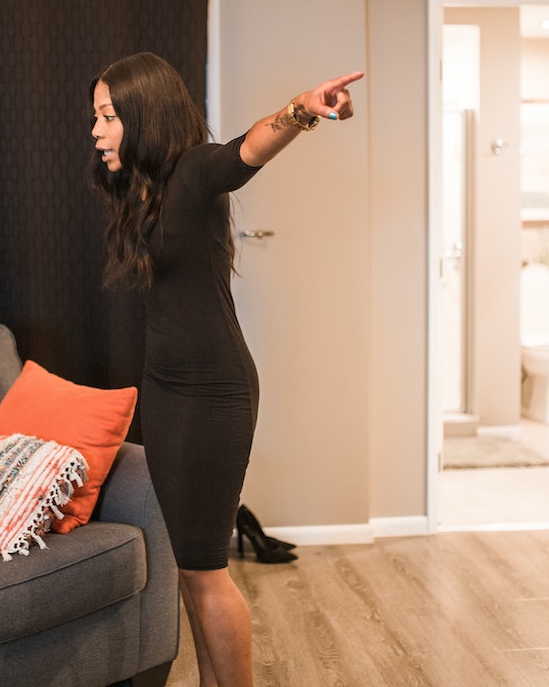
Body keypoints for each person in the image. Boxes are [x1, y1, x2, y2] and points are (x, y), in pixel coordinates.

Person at [89, 52, 363, 686]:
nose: (97, 131)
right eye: (96, 117)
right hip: (165, 389)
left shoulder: (193, 171)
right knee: (191, 565)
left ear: (143, 114)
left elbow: (248, 149)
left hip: (213, 392)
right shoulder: (143, 188)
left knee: (207, 567)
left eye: (107, 117)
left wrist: (303, 109)